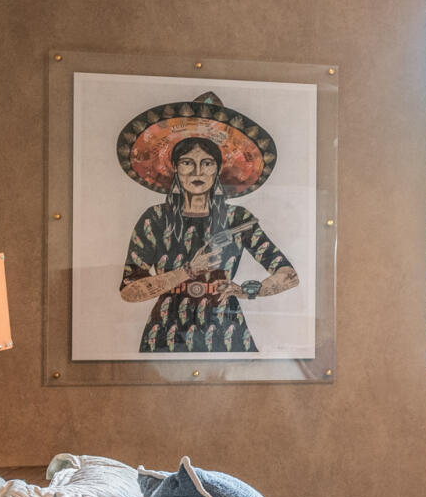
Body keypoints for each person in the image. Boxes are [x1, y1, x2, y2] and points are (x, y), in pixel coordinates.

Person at [114, 92, 297, 353]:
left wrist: (246, 290)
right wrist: (187, 271)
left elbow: (288, 275)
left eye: (207, 163)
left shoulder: (238, 219)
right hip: (166, 334)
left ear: (218, 169)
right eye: (188, 162)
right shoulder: (155, 218)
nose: (198, 172)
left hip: (227, 332)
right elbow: (129, 291)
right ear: (175, 167)